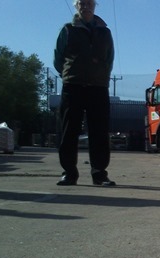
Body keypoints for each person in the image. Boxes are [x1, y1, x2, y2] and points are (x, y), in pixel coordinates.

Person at [54, 0, 116, 186]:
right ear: (76, 6)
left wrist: (101, 75)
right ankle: (69, 173)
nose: (85, 6)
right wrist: (69, 74)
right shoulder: (67, 30)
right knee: (68, 130)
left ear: (95, 5)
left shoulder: (105, 32)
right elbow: (58, 59)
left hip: (98, 87)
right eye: (81, 3)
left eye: (89, 2)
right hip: (73, 86)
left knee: (99, 131)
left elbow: (109, 59)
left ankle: (99, 174)